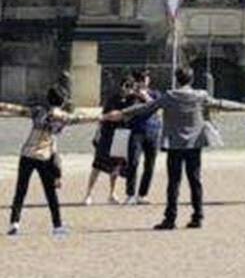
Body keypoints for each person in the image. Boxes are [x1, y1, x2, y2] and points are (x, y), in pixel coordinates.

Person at [117, 66, 245, 230]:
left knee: (173, 183)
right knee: (195, 181)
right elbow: (220, 104)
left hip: (174, 145)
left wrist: (123, 112)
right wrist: (244, 107)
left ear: (177, 79)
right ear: (191, 80)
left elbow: (146, 108)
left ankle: (170, 218)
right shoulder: (200, 96)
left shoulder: (170, 96)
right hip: (193, 144)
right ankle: (198, 216)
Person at [1, 86, 121, 236]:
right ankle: (57, 226)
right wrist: (107, 116)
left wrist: (2, 106)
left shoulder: (39, 111)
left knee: (20, 191)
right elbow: (82, 119)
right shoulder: (63, 117)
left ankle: (14, 223)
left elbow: (17, 110)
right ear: (63, 101)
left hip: (27, 154)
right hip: (44, 156)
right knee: (50, 193)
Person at [83, 73, 134, 205]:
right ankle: (88, 193)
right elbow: (106, 116)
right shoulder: (113, 99)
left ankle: (112, 193)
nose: (125, 89)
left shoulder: (133, 100)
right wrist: (97, 133)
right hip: (107, 134)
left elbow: (125, 116)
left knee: (116, 166)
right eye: (124, 85)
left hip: (121, 135)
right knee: (97, 165)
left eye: (129, 86)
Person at [124, 70, 162, 205]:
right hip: (136, 132)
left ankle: (142, 194)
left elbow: (157, 106)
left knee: (150, 164)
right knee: (133, 162)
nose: (144, 80)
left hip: (153, 131)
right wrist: (132, 95)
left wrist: (145, 96)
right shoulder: (131, 96)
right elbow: (126, 111)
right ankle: (130, 194)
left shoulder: (155, 94)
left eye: (146, 78)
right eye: (141, 79)